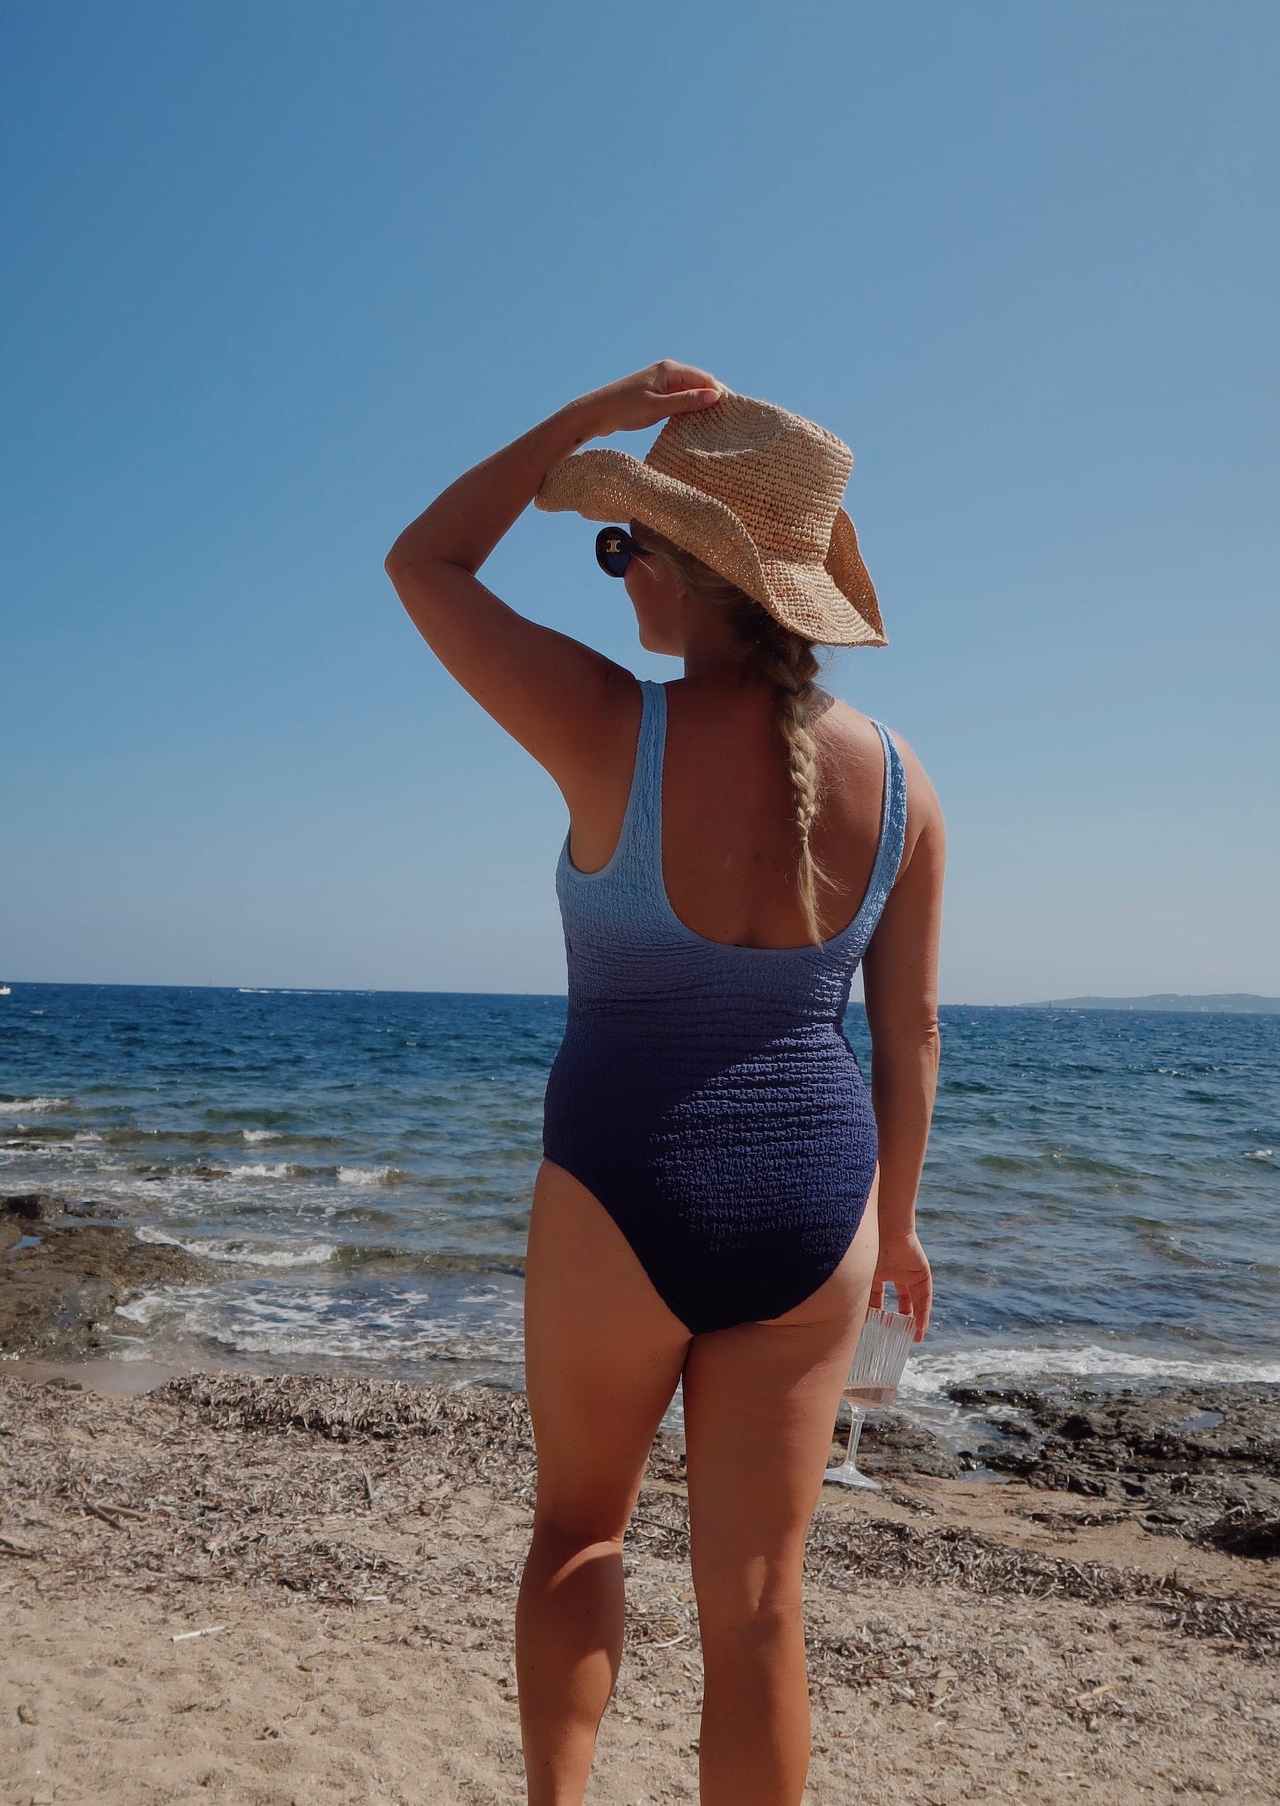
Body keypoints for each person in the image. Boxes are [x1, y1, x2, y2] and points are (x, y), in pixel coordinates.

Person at [385, 361, 943, 1806]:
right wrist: (899, 1225)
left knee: (578, 1533)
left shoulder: (603, 724)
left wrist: (575, 424)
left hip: (621, 1182)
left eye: (623, 542)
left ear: (690, 570)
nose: (613, 570)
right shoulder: (906, 784)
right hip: (818, 1202)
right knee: (759, 1605)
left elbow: (423, 559)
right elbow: (911, 1035)